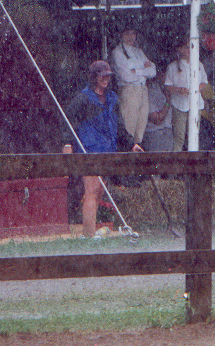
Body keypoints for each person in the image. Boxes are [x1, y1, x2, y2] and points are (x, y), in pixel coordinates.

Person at [62, 60, 143, 238]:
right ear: (94, 77)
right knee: (91, 191)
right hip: (90, 150)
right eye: (102, 75)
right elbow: (68, 121)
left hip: (108, 150)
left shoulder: (112, 98)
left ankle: (90, 234)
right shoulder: (83, 99)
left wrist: (131, 144)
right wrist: (67, 144)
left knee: (99, 192)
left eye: (108, 75)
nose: (105, 79)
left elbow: (119, 126)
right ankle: (89, 236)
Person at [110, 27, 156, 145]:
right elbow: (126, 76)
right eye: (127, 33)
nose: (131, 37)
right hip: (129, 91)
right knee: (128, 129)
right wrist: (143, 70)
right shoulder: (118, 52)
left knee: (140, 129)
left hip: (142, 90)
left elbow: (153, 71)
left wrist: (137, 71)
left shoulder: (139, 52)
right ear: (121, 35)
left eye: (133, 33)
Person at [164, 39, 212, 152]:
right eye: (186, 47)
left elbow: (204, 82)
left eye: (190, 47)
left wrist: (196, 89)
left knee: (194, 136)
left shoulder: (198, 64)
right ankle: (177, 161)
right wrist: (178, 90)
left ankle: (193, 159)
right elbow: (167, 86)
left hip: (195, 104)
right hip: (180, 105)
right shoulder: (173, 66)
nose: (189, 50)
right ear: (179, 49)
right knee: (179, 136)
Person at [141, 70, 173, 152]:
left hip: (168, 133)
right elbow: (157, 120)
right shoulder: (151, 92)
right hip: (155, 134)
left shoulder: (170, 89)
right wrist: (168, 102)